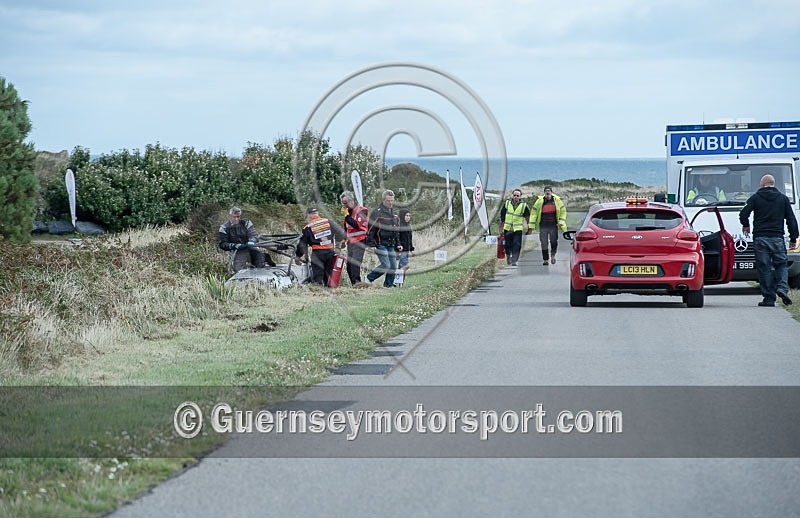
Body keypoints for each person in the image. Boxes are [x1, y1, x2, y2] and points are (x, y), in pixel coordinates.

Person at [739, 174, 798, 307]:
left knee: (764, 267)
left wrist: (746, 224)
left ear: (762, 184)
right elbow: (791, 220)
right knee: (781, 265)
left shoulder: (755, 198)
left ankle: (769, 298)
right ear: (773, 184)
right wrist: (793, 237)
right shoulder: (783, 199)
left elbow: (743, 213)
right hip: (777, 237)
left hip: (760, 238)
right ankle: (782, 288)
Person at [218, 207, 275, 271]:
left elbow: (254, 234)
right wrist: (234, 245)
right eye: (234, 217)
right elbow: (223, 244)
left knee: (260, 259)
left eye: (238, 217)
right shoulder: (223, 228)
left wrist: (252, 240)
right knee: (238, 270)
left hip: (251, 247)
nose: (236, 219)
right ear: (230, 216)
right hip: (238, 250)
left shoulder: (246, 222)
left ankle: (264, 260)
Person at [365, 189, 401, 287]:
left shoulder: (395, 214)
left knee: (393, 266)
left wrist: (398, 244)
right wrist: (370, 244)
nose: (390, 203)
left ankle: (388, 286)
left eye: (392, 200)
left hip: (391, 245)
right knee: (386, 265)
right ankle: (368, 278)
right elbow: (370, 229)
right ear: (383, 200)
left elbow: (396, 231)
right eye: (388, 200)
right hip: (380, 244)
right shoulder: (377, 213)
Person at [296, 207, 336, 286]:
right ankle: (330, 290)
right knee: (328, 275)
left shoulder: (307, 227)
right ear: (317, 213)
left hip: (318, 253)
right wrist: (339, 245)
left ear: (309, 215)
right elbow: (341, 233)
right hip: (330, 252)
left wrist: (298, 256)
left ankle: (319, 292)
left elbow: (302, 245)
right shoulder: (329, 222)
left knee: (318, 276)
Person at [530, 186, 567, 266]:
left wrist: (561, 221)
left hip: (553, 225)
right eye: (546, 192)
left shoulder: (557, 201)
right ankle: (545, 259)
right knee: (544, 243)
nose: (547, 193)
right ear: (544, 193)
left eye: (549, 191)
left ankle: (553, 255)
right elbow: (534, 213)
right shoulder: (539, 201)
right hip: (543, 225)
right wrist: (531, 225)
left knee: (554, 242)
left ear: (551, 192)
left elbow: (563, 211)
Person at [339, 190, 369, 286]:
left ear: (352, 201)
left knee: (355, 264)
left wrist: (347, 216)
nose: (344, 206)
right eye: (343, 204)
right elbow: (346, 228)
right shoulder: (349, 212)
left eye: (346, 203)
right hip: (351, 242)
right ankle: (354, 285)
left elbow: (356, 225)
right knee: (349, 267)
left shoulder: (362, 210)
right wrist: (343, 240)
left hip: (360, 240)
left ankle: (358, 284)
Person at [499, 189, 530, 266]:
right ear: (512, 195)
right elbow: (502, 215)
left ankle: (514, 260)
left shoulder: (524, 205)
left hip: (518, 229)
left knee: (517, 244)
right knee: (508, 245)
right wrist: (501, 228)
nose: (515, 197)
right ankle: (508, 256)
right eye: (514, 195)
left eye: (517, 195)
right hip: (508, 228)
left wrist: (529, 227)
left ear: (520, 197)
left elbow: (527, 217)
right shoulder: (507, 203)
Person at [395, 208, 414, 286]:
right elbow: (396, 237)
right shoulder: (399, 225)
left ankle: (400, 283)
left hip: (406, 250)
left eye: (409, 215)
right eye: (406, 215)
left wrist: (411, 249)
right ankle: (395, 279)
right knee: (406, 266)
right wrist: (398, 245)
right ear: (402, 216)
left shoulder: (408, 226)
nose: (408, 217)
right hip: (401, 249)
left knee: (403, 268)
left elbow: (410, 239)